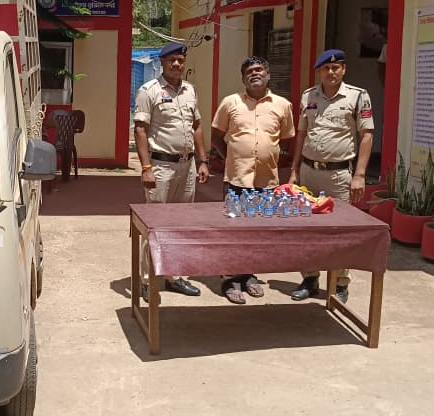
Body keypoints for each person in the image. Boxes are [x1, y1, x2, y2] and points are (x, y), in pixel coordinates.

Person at [287, 48, 375, 303]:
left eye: (336, 67)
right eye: (326, 68)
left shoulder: (357, 96)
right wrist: (294, 170)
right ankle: (310, 278)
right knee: (308, 230)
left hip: (338, 175)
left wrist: (359, 175)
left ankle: (339, 283)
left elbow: (367, 135)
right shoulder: (308, 96)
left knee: (340, 231)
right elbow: (301, 135)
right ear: (319, 71)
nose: (331, 72)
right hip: (309, 172)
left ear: (343, 69)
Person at [211, 56, 294, 304]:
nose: (254, 74)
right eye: (249, 71)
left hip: (266, 183)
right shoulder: (230, 102)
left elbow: (287, 139)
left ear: (268, 75)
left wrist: (271, 156)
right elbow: (216, 135)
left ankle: (249, 275)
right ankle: (230, 279)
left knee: (257, 233)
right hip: (237, 181)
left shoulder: (283, 105)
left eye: (259, 70)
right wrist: (231, 158)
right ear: (243, 78)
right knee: (233, 232)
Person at [133, 41, 210, 299]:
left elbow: (196, 126)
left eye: (180, 60)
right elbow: (140, 130)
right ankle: (148, 280)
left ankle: (173, 276)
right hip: (161, 166)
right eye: (171, 60)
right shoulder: (149, 91)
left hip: (187, 166)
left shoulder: (190, 90)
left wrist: (203, 160)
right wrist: (146, 168)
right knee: (155, 224)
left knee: (180, 224)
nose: (176, 64)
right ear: (162, 63)